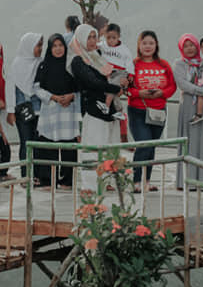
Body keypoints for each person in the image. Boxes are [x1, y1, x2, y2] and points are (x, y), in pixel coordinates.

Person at [69, 24, 126, 192]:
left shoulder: (98, 56)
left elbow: (111, 76)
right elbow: (92, 82)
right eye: (89, 37)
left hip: (109, 110)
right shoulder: (78, 61)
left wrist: (121, 83)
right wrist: (115, 88)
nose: (93, 41)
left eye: (94, 37)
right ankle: (90, 184)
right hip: (93, 109)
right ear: (81, 39)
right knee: (93, 147)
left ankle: (108, 180)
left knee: (110, 146)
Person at [126, 30, 177, 192]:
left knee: (152, 146)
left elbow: (172, 86)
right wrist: (139, 93)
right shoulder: (132, 65)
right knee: (144, 144)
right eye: (144, 43)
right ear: (139, 45)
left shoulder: (164, 65)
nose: (148, 46)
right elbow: (126, 88)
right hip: (137, 111)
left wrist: (162, 93)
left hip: (158, 111)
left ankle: (146, 181)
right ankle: (136, 182)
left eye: (151, 43)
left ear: (156, 45)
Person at [174, 33, 203, 188]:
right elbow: (183, 84)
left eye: (192, 45)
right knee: (189, 141)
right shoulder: (179, 64)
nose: (189, 49)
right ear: (181, 48)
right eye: (185, 46)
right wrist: (202, 91)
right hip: (189, 105)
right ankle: (187, 180)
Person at [33, 33, 81, 188]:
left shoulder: (71, 65)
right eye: (54, 46)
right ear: (50, 48)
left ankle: (67, 180)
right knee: (48, 145)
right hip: (50, 109)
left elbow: (81, 87)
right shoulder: (44, 65)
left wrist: (71, 96)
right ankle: (48, 180)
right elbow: (36, 88)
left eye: (61, 45)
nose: (58, 49)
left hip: (68, 110)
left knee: (68, 145)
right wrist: (53, 97)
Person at [5, 32, 44, 180]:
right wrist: (10, 111)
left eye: (41, 45)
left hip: (39, 109)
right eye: (37, 45)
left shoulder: (41, 63)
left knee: (38, 143)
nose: (40, 48)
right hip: (22, 110)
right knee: (25, 142)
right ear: (28, 46)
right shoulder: (16, 65)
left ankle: (38, 175)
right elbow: (10, 88)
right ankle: (25, 175)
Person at [99, 23, 135, 142]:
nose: (111, 40)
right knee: (111, 90)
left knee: (112, 88)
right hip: (108, 71)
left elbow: (129, 62)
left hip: (120, 72)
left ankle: (106, 106)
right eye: (108, 38)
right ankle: (119, 111)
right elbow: (94, 47)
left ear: (118, 37)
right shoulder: (103, 45)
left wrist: (130, 75)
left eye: (113, 38)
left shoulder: (124, 49)